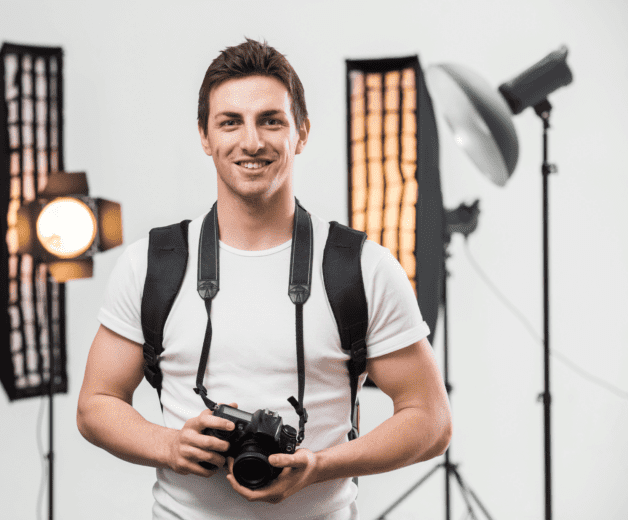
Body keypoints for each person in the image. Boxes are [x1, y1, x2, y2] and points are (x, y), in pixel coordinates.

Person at [77, 38, 452, 519]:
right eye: (230, 122)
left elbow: (431, 420)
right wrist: (170, 445)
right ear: (204, 136)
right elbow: (96, 403)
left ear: (302, 133)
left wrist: (319, 465)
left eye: (271, 120)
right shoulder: (152, 263)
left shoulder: (361, 267)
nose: (251, 142)